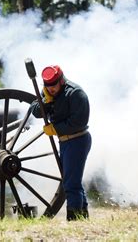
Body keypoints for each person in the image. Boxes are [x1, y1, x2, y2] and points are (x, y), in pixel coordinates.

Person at [30, 65, 92, 221]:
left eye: (53, 86)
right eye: (47, 87)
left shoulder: (76, 93)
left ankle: (74, 219)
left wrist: (55, 129)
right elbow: (35, 111)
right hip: (65, 142)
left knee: (71, 184)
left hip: (77, 140)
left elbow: (79, 122)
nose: (50, 90)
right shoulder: (49, 94)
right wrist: (45, 102)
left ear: (61, 81)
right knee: (72, 180)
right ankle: (82, 217)